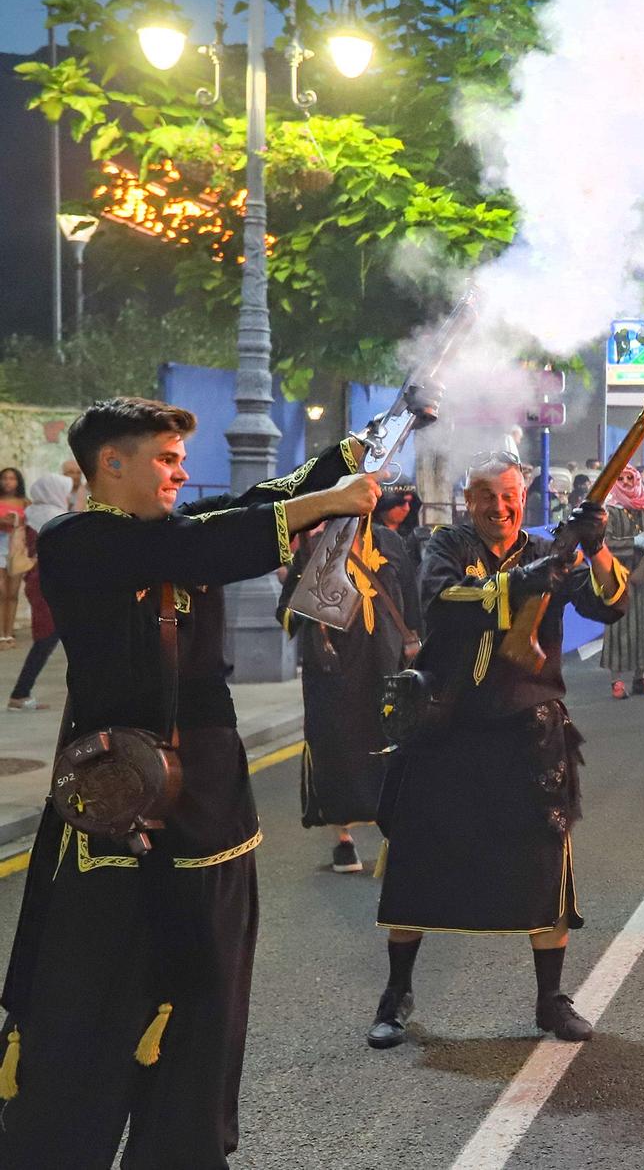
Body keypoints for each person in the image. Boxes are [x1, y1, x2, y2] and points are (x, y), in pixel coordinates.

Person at [0, 398, 377, 1168]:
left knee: (207, 1022)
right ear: (111, 462)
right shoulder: (77, 541)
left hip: (210, 814)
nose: (181, 472)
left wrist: (346, 455)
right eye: (166, 459)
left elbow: (247, 508)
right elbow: (210, 542)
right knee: (87, 1018)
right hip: (115, 813)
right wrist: (329, 502)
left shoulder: (165, 537)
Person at [369, 453, 626, 1049]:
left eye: (509, 495)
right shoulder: (445, 544)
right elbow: (442, 602)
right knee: (416, 864)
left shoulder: (552, 547)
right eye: (487, 495)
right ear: (468, 499)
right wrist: (518, 582)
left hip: (528, 727)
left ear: (524, 494)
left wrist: (597, 547)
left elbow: (607, 604)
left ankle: (550, 1000)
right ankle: (396, 992)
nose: (500, 507)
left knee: (545, 864)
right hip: (446, 726)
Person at [280, 499, 423, 876]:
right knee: (336, 754)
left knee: (391, 752)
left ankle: (394, 836)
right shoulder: (316, 548)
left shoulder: (390, 544)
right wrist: (301, 583)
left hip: (387, 667)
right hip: (334, 676)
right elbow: (288, 619)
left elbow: (412, 604)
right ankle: (343, 841)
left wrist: (417, 652)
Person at [599, 465, 644, 699]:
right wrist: (633, 541)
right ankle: (616, 681)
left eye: (630, 477)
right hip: (619, 575)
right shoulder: (610, 510)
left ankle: (641, 676)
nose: (626, 482)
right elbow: (604, 544)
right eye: (621, 477)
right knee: (620, 627)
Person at [6, 475, 69, 711]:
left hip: (37, 581)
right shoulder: (56, 518)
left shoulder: (31, 515)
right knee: (47, 637)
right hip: (52, 583)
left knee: (49, 636)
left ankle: (21, 693)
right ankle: (20, 693)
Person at [0, 466, 27, 648]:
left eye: (12, 478)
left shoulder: (25, 502)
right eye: (5, 478)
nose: (8, 482)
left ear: (18, 481)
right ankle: (1, 635)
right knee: (1, 592)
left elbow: (30, 525)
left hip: (17, 548)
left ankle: (9, 634)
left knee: (13, 593)